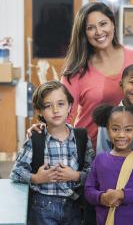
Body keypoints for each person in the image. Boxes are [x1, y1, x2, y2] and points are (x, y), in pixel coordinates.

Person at [59, 1, 133, 149]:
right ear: (84, 33)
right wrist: (43, 131)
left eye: (103, 24)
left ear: (113, 23)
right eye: (90, 28)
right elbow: (63, 116)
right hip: (90, 150)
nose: (99, 32)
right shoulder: (76, 71)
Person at [10, 80, 94, 225]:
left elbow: (93, 173)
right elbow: (16, 172)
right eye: (48, 106)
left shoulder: (81, 137)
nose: (55, 110)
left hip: (74, 207)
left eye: (61, 104)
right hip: (42, 207)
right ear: (40, 111)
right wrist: (36, 178)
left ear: (70, 106)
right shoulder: (35, 138)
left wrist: (75, 176)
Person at [85, 104, 133, 225]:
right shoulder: (100, 159)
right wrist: (102, 197)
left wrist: (122, 194)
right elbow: (89, 190)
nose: (121, 135)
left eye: (128, 129)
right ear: (107, 128)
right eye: (115, 129)